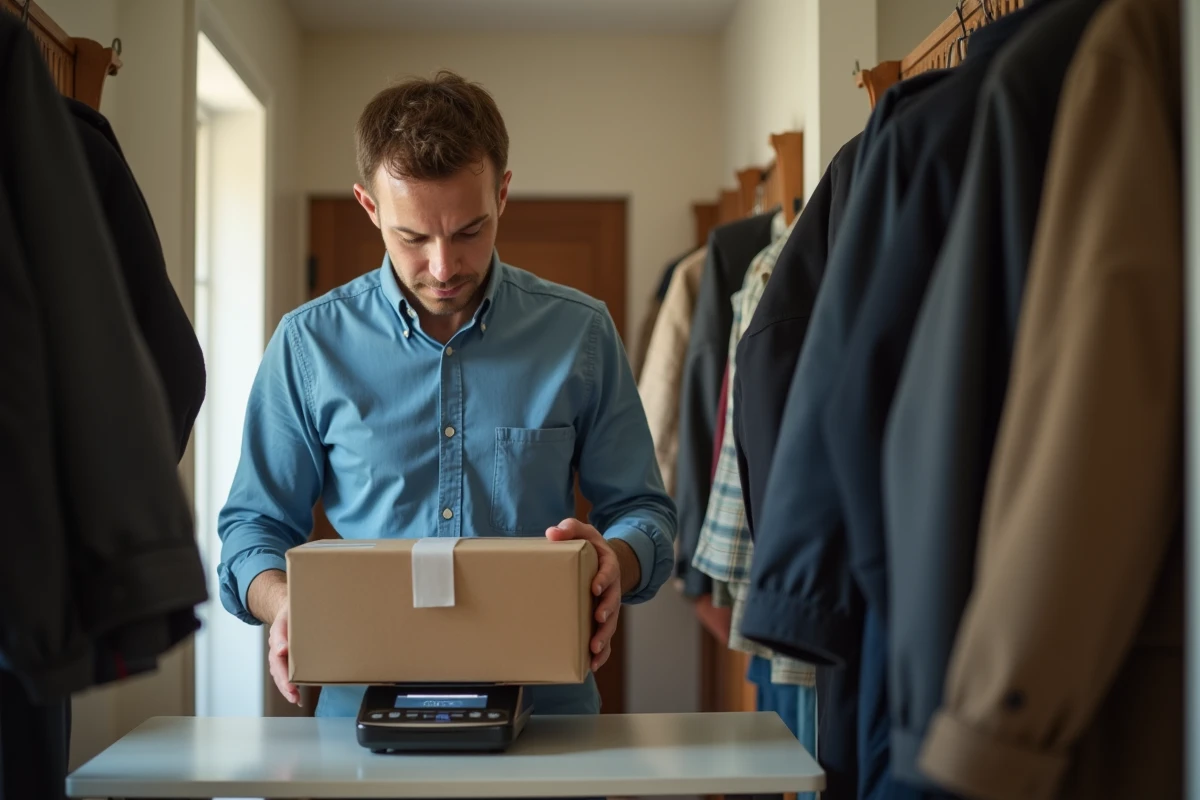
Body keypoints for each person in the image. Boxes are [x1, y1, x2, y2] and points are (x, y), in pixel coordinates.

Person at [216, 70, 676, 718]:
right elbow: (251, 530)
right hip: (360, 727)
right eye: (412, 237)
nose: (443, 266)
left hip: (547, 721)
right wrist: (282, 601)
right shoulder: (306, 346)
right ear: (369, 207)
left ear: (504, 194)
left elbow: (646, 514)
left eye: (468, 231)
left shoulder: (581, 333)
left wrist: (614, 562)